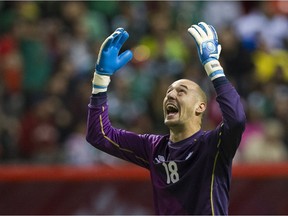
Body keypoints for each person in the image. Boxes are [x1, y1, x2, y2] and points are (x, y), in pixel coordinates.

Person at [86, 22, 246, 215]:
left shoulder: (214, 145)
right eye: (169, 92)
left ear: (200, 107)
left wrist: (213, 66)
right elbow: (99, 135)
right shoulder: (154, 148)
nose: (170, 95)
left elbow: (236, 119)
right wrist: (100, 80)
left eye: (182, 92)